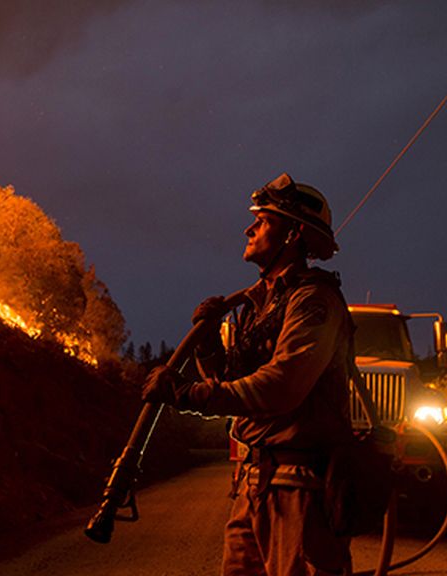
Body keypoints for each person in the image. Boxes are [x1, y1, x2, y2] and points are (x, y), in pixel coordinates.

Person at [142, 172, 355, 576]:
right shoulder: (259, 306)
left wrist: (187, 394)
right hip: (256, 482)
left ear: (293, 235)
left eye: (264, 220)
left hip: (299, 487)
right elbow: (231, 380)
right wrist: (208, 345)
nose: (249, 227)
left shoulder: (314, 301)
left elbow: (281, 387)